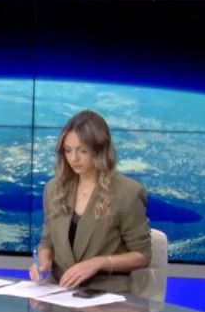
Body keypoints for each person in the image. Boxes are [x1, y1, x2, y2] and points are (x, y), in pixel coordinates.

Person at [29, 110, 152, 293]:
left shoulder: (128, 193)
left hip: (106, 295)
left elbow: (142, 255)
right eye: (68, 150)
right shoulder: (54, 189)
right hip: (60, 291)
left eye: (83, 151)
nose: (74, 159)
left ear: (100, 150)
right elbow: (48, 240)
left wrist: (98, 263)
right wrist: (44, 260)